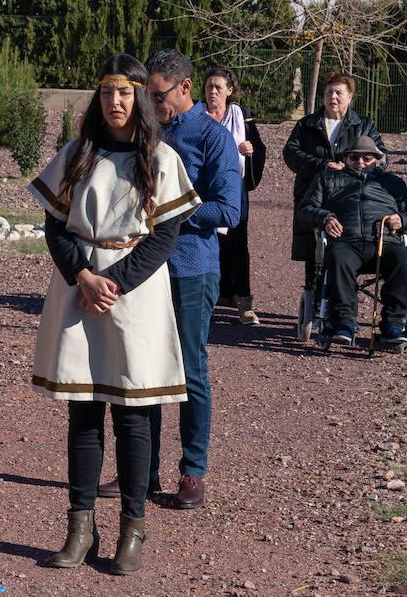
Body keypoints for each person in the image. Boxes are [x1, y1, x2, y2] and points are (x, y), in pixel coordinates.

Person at [30, 54, 200, 576]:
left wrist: (116, 281)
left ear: (141, 98)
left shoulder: (161, 158)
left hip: (135, 296)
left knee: (132, 416)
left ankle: (132, 527)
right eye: (107, 93)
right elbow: (56, 227)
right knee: (82, 413)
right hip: (78, 289)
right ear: (97, 98)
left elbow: (166, 236)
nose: (116, 101)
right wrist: (83, 275)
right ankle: (80, 527)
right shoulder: (77, 154)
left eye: (126, 93)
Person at [125, 49, 241, 511]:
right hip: (144, 270)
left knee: (190, 369)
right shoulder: (146, 133)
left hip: (192, 269)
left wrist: (175, 208)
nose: (152, 106)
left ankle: (192, 472)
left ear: (185, 87)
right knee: (144, 370)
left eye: (158, 96)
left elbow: (229, 209)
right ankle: (142, 471)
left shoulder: (214, 139)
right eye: (147, 97)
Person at [299, 135, 407, 345]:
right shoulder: (327, 178)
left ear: (377, 159)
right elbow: (305, 210)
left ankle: (393, 324)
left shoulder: (393, 183)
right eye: (354, 158)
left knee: (402, 260)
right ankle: (343, 322)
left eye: (367, 158)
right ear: (345, 159)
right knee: (337, 258)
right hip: (347, 243)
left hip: (384, 243)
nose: (360, 163)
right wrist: (325, 218)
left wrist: (402, 219)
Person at [282, 72, 385, 293]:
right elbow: (290, 154)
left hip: (351, 200)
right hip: (314, 195)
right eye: (329, 92)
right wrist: (323, 165)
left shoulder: (364, 126)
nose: (333, 97)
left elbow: (381, 159)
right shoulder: (307, 124)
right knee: (315, 251)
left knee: (346, 250)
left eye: (339, 92)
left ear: (350, 97)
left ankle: (343, 303)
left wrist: (351, 169)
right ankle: (314, 299)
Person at [201, 68, 266, 325]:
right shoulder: (195, 115)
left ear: (230, 90)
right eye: (209, 86)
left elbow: (259, 149)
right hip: (202, 189)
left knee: (238, 245)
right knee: (204, 242)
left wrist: (251, 151)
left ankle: (244, 304)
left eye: (218, 87)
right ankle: (206, 299)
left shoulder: (242, 118)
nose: (213, 91)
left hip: (232, 189)